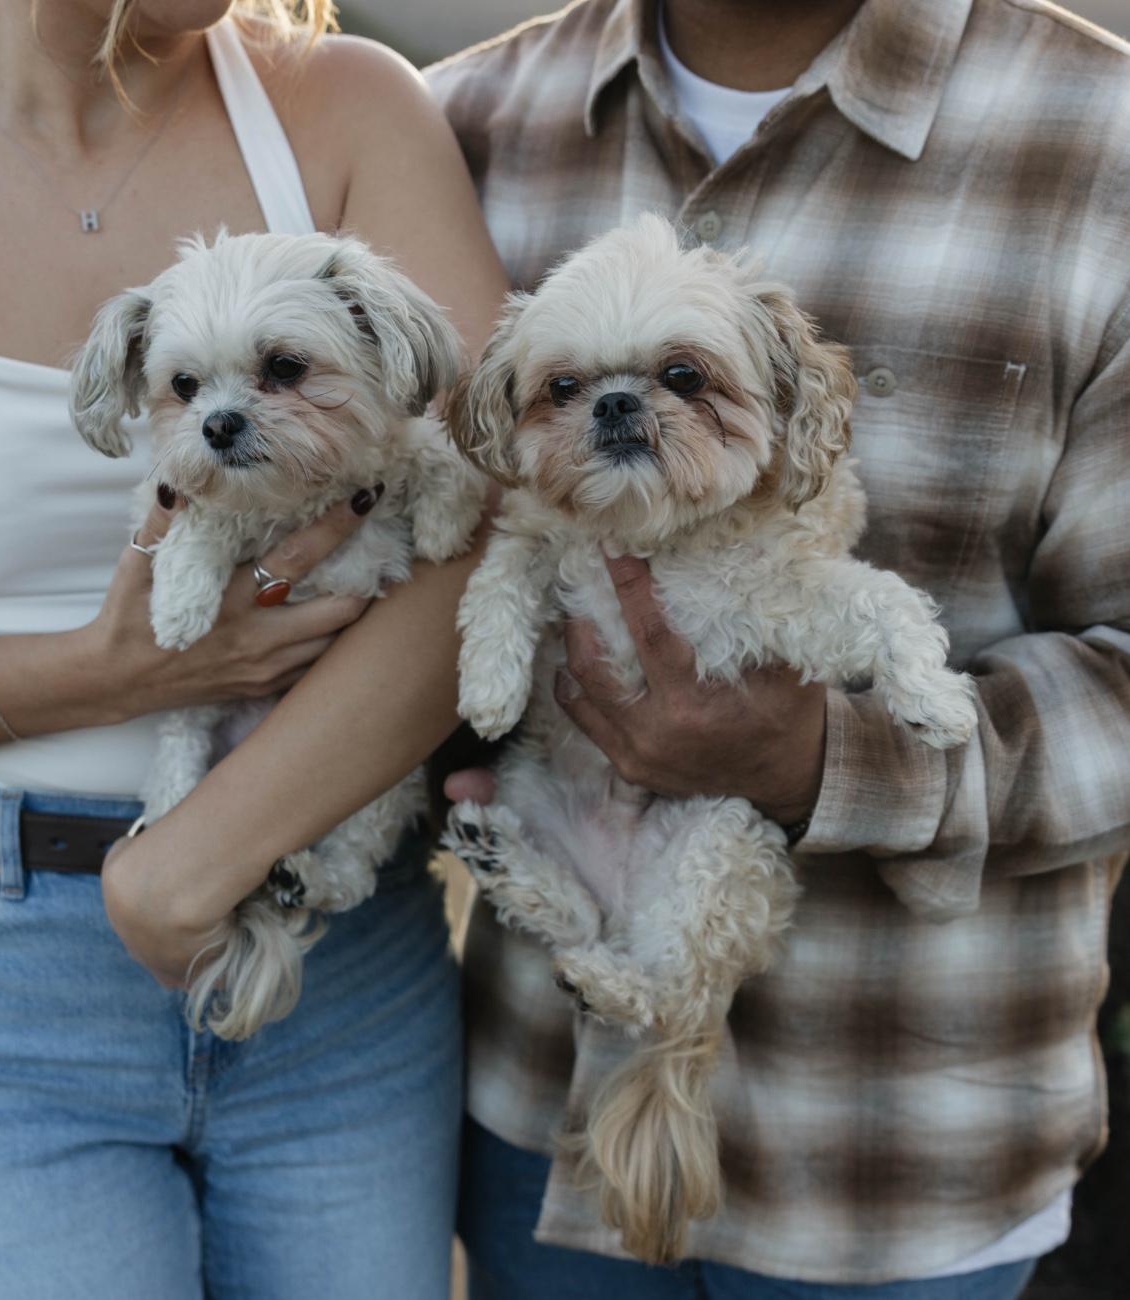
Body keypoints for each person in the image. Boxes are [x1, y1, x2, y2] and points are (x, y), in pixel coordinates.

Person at [428, 0, 1130, 1296]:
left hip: (900, 1161)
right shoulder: (457, 124)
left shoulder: (1102, 141)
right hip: (532, 1107)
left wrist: (826, 759)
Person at [0, 1, 506, 1296]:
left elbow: (492, 515)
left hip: (342, 947)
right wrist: (109, 672)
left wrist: (194, 863)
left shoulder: (352, 105)